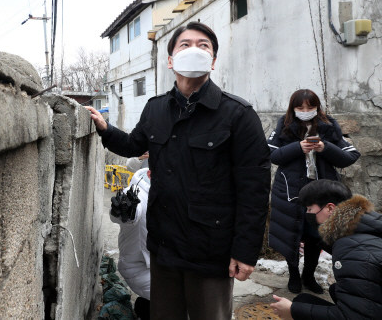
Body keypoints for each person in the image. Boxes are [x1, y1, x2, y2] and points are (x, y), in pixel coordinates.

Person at [86, 21, 271, 320]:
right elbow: (134, 144)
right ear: (171, 59)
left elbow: (255, 189)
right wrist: (106, 129)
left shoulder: (237, 114)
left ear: (212, 60)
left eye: (203, 45)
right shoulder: (156, 108)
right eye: (185, 45)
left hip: (211, 249)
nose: (194, 50)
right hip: (164, 245)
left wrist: (246, 251)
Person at [267, 89, 360, 294]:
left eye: (310, 107)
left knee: (315, 236)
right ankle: (293, 276)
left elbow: (350, 157)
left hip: (322, 195)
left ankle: (308, 276)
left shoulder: (329, 126)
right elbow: (271, 154)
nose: (306, 111)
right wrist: (297, 148)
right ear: (293, 108)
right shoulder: (284, 125)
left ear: (317, 106)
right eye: (300, 107)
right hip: (291, 191)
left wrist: (324, 147)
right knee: (292, 233)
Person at [270, 179, 382, 320]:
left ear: (330, 208)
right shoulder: (369, 225)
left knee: (300, 303)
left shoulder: (351, 249)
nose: (307, 214)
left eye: (310, 209)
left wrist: (293, 311)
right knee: (336, 290)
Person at [109, 167, 152, 320]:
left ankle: (144, 307)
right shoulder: (138, 191)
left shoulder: (168, 189)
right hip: (139, 269)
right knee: (180, 298)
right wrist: (123, 213)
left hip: (157, 267)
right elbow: (130, 214)